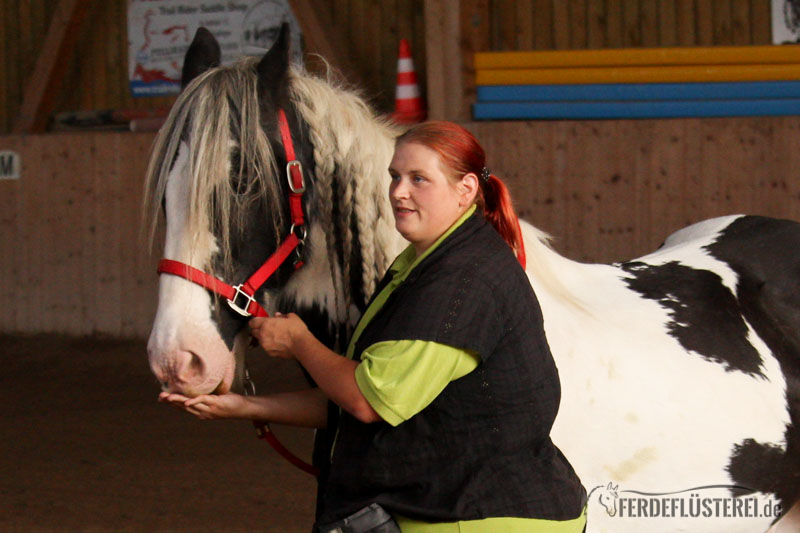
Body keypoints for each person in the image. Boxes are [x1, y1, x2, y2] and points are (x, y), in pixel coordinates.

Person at [161, 121, 587, 532]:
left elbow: (369, 399)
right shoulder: (426, 264)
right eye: (394, 176)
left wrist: (299, 341)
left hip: (478, 520)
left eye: (419, 179)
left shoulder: (461, 282)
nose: (399, 193)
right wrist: (247, 407)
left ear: (466, 190)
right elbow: (358, 396)